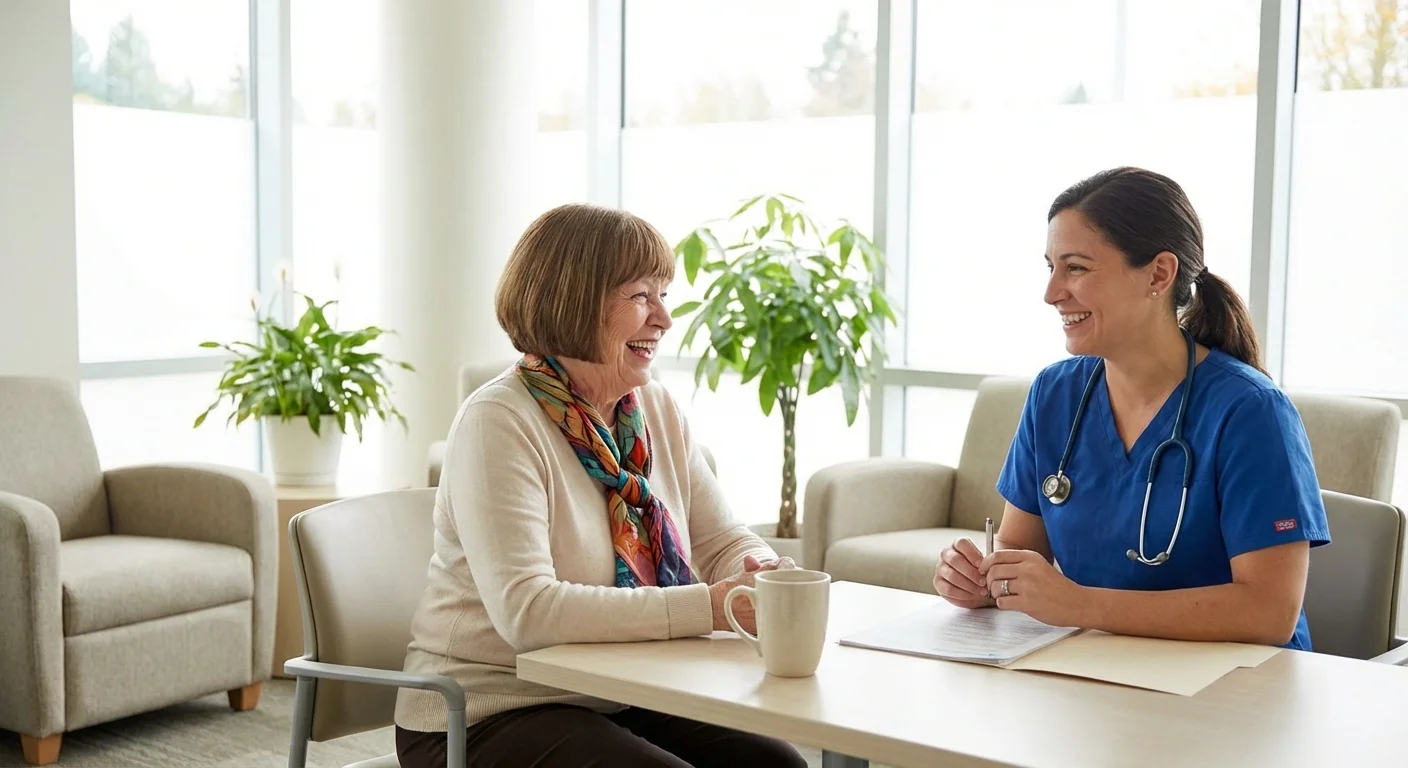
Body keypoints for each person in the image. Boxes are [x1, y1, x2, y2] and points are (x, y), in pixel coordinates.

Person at [393, 203, 808, 768]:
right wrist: (706, 608)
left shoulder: (654, 408)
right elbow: (529, 613)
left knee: (775, 764)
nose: (663, 318)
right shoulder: (498, 422)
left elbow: (721, 541)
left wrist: (764, 575)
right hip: (485, 711)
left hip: (617, 693)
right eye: (641, 296)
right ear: (575, 301)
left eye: (662, 294)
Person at [933, 167, 1330, 651]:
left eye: (1076, 267)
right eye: (1051, 267)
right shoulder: (1054, 394)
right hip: (1100, 670)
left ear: (1159, 274)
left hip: (1238, 689)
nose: (1052, 292)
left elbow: (1269, 613)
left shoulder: (1251, 411)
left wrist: (1078, 605)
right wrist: (981, 579)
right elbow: (1018, 550)